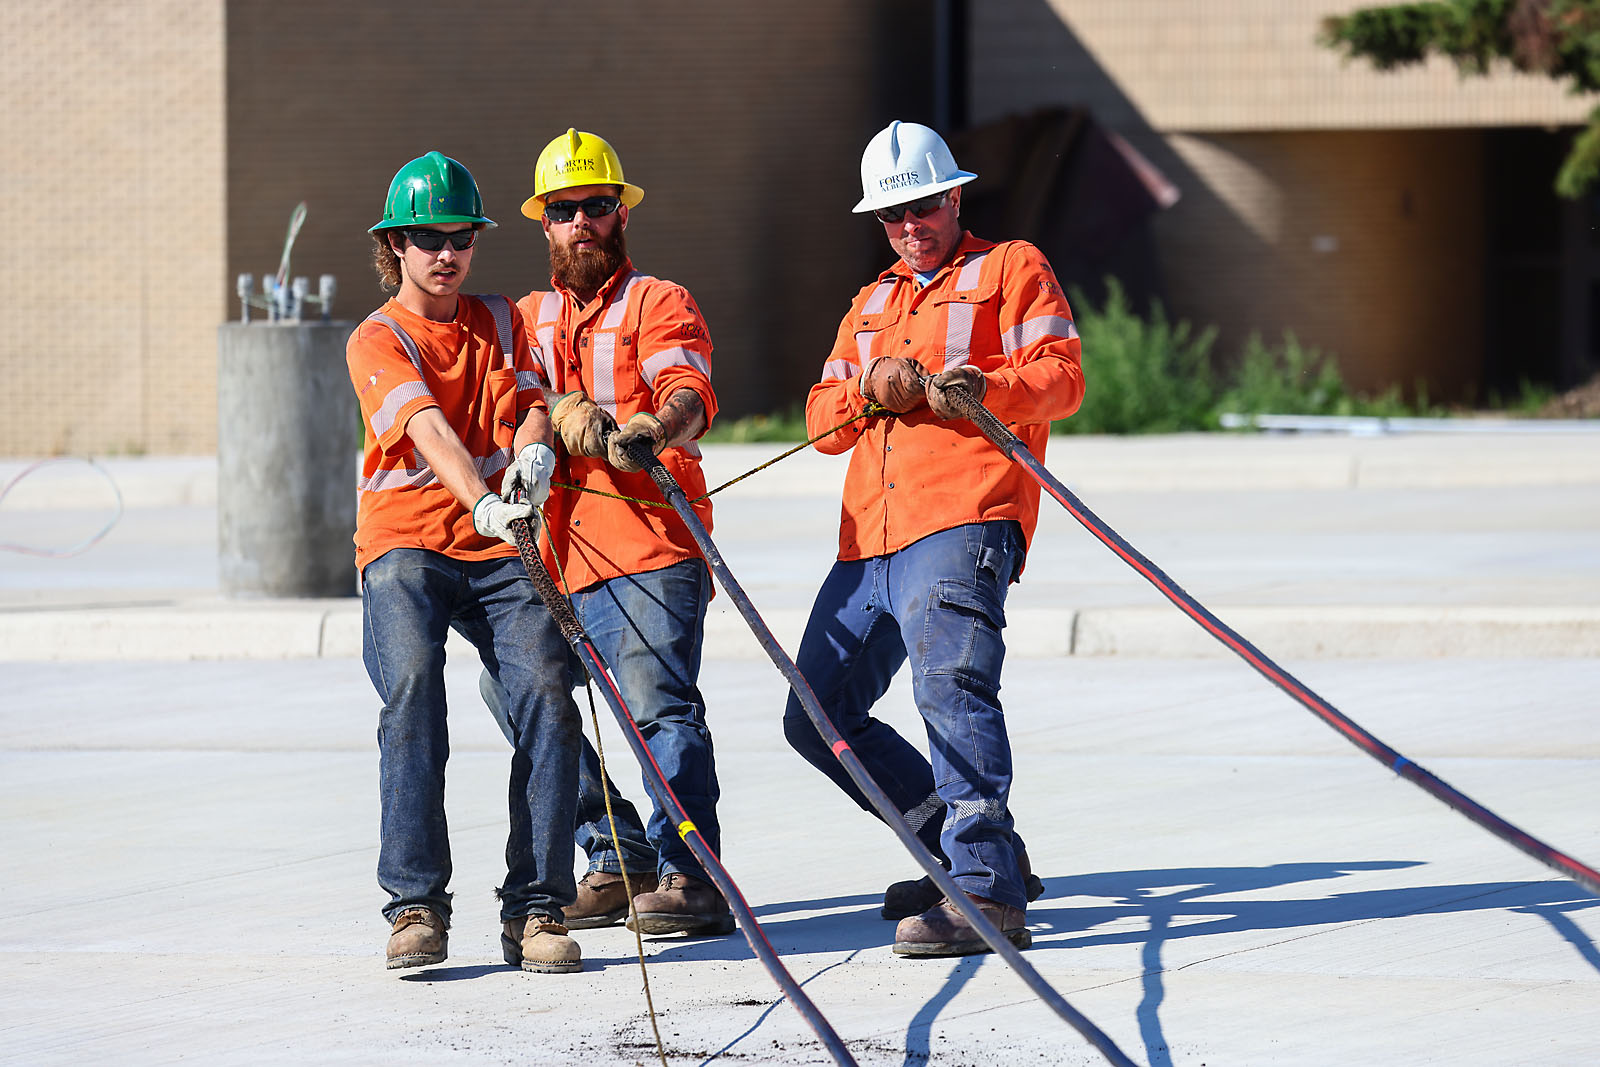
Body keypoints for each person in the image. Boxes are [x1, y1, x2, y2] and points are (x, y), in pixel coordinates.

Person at [783, 121, 1085, 958]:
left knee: (949, 688)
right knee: (816, 716)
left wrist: (981, 386)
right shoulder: (871, 300)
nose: (909, 226)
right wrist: (869, 388)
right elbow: (820, 419)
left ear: (954, 196)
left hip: (962, 518)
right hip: (868, 540)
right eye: (891, 216)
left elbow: (1064, 376)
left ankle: (986, 889)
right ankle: (962, 854)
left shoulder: (1010, 267)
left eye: (922, 206)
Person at [482, 129, 732, 937]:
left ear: (620, 214)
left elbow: (687, 386)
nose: (581, 221)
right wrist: (557, 412)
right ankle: (615, 847)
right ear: (543, 224)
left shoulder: (656, 300)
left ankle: (691, 876)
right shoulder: (524, 317)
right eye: (564, 210)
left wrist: (654, 429)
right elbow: (508, 404)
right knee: (515, 690)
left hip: (649, 546)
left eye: (596, 206)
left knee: (659, 709)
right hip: (555, 557)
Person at [347, 151, 583, 974]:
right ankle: (416, 903)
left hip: (496, 539)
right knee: (413, 689)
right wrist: (475, 494)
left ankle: (539, 905)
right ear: (395, 247)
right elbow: (426, 430)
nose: (446, 253)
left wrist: (532, 453)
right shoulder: (376, 338)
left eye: (461, 237)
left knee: (549, 689)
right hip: (406, 541)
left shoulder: (501, 319)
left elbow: (527, 404)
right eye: (427, 237)